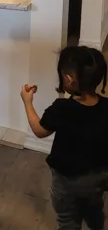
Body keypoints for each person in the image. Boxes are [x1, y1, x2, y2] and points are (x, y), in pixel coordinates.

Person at [21, 46, 108, 230]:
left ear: (68, 79)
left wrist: (28, 102)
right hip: (97, 178)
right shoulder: (106, 106)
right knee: (94, 209)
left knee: (67, 219)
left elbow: (39, 130)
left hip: (67, 181)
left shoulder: (61, 108)